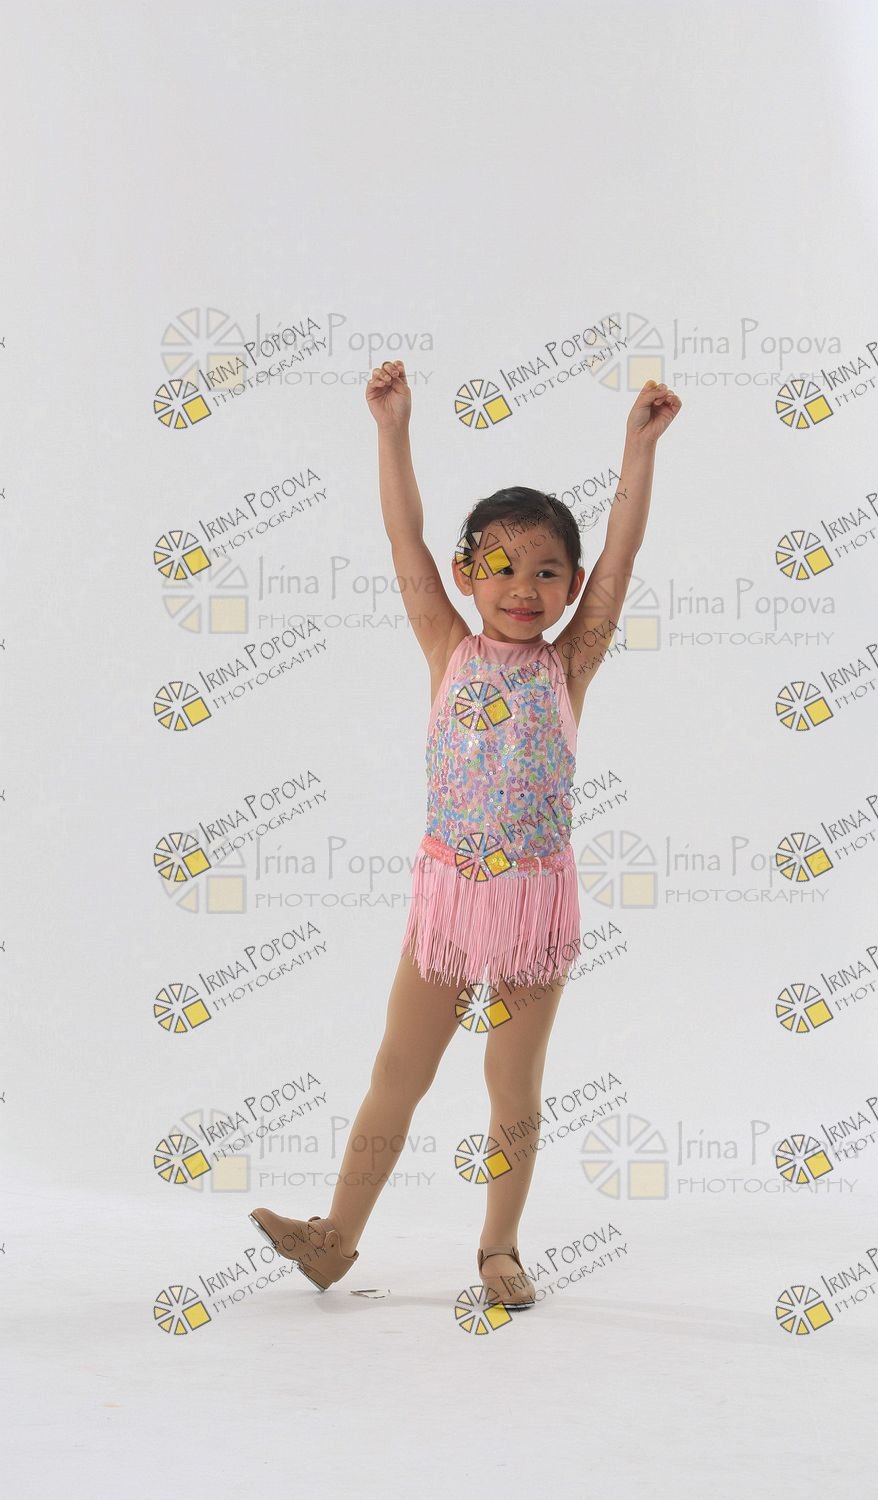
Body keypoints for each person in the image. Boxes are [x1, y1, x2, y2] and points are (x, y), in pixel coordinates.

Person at [249, 359, 682, 1309]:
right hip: (448, 899)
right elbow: (401, 535)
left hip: (532, 903)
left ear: (571, 587)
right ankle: (334, 1240)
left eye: (546, 572)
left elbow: (624, 554)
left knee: (510, 1083)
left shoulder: (570, 665)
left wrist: (637, 450)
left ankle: (499, 1250)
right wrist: (392, 430)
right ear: (465, 576)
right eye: (501, 568)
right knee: (397, 1070)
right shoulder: (447, 646)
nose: (523, 587)